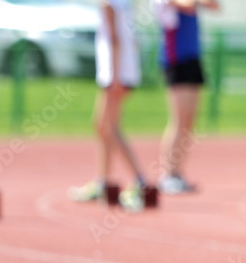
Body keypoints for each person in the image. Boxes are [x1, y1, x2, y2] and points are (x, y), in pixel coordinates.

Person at [69, 0, 148, 211]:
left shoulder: (110, 3)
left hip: (116, 73)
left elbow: (114, 39)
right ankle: (102, 180)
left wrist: (114, 76)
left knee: (109, 127)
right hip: (121, 71)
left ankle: (140, 180)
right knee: (103, 126)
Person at [153, 0, 219, 194]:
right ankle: (167, 174)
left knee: (190, 120)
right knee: (179, 118)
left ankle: (178, 172)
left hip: (193, 57)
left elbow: (214, 5)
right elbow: (188, 4)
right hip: (175, 58)